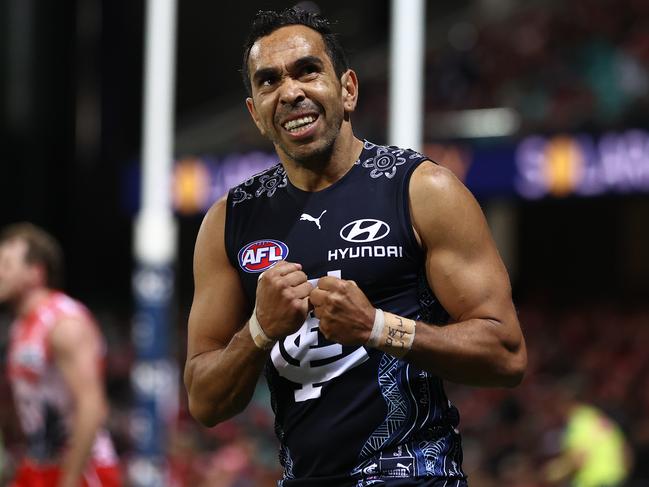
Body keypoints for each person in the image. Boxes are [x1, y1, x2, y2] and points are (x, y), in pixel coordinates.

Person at [184, 7, 527, 486]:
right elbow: (204, 400)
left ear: (347, 89)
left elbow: (507, 353)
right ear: (254, 112)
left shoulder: (423, 190)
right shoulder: (230, 219)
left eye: (308, 70)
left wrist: (377, 327)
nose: (290, 92)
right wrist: (259, 330)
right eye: (268, 82)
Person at [0, 223, 121, 487]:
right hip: (39, 464)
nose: (0, 272)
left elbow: (93, 406)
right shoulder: (19, 326)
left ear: (35, 272)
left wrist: (69, 479)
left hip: (84, 470)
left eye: (6, 264)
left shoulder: (65, 323)